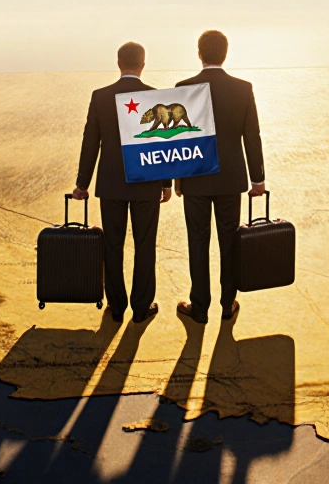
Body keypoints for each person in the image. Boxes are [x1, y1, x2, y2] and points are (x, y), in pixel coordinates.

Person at [74, 42, 172, 324]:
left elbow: (90, 142)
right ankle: (141, 308)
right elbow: (163, 142)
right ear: (143, 64)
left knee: (112, 246)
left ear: (119, 64)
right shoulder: (156, 97)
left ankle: (116, 307)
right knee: (145, 245)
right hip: (146, 183)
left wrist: (83, 183)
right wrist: (166, 182)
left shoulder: (100, 96)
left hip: (111, 184)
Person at [175, 30, 265, 324]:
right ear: (225, 54)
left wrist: (177, 177)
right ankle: (228, 304)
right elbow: (252, 136)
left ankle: (199, 307)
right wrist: (258, 179)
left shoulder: (184, 87)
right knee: (229, 242)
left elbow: (177, 139)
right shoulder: (242, 88)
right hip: (230, 179)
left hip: (196, 178)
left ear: (199, 54)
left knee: (197, 242)